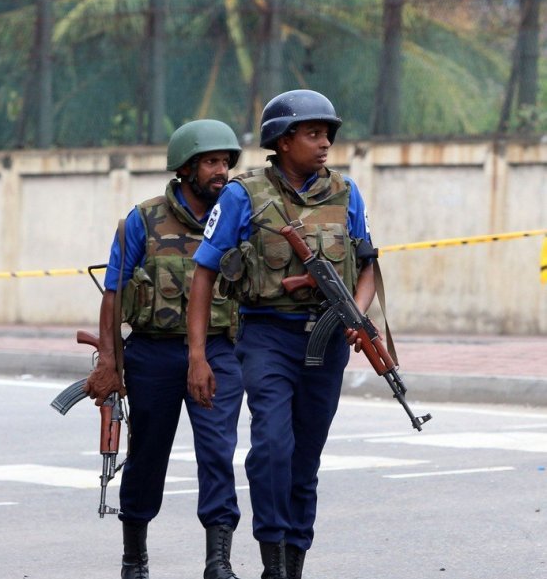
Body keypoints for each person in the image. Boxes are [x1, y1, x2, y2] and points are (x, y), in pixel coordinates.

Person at [186, 90, 377, 579]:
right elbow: (204, 272)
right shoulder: (241, 195)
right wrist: (198, 354)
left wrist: (355, 315)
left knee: (305, 456)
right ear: (283, 140)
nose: (324, 144)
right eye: (312, 134)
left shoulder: (346, 193)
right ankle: (271, 554)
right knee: (272, 445)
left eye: (327, 135)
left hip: (328, 340)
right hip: (267, 335)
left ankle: (294, 561)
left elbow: (369, 267)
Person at [84, 120, 246, 579]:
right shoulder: (143, 219)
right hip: (153, 353)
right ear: (186, 168)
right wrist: (111, 362)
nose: (221, 171)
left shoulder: (238, 216)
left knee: (218, 451)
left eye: (225, 162)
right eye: (211, 162)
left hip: (216, 351)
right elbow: (113, 294)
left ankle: (219, 561)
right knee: (148, 455)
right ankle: (133, 557)